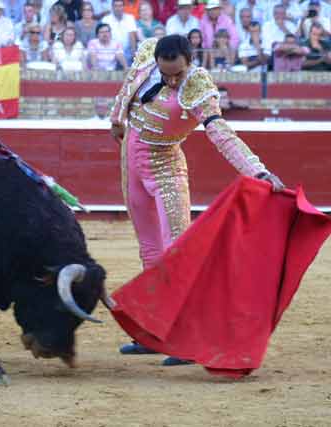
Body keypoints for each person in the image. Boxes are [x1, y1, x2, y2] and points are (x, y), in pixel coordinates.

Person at [109, 35, 284, 365]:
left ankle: (189, 338)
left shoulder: (198, 84)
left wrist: (258, 172)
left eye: (177, 74)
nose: (172, 80)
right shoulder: (148, 56)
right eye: (166, 75)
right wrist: (116, 118)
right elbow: (128, 84)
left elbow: (221, 134)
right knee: (150, 250)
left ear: (190, 62)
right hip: (131, 163)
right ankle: (153, 332)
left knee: (178, 253)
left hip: (165, 169)